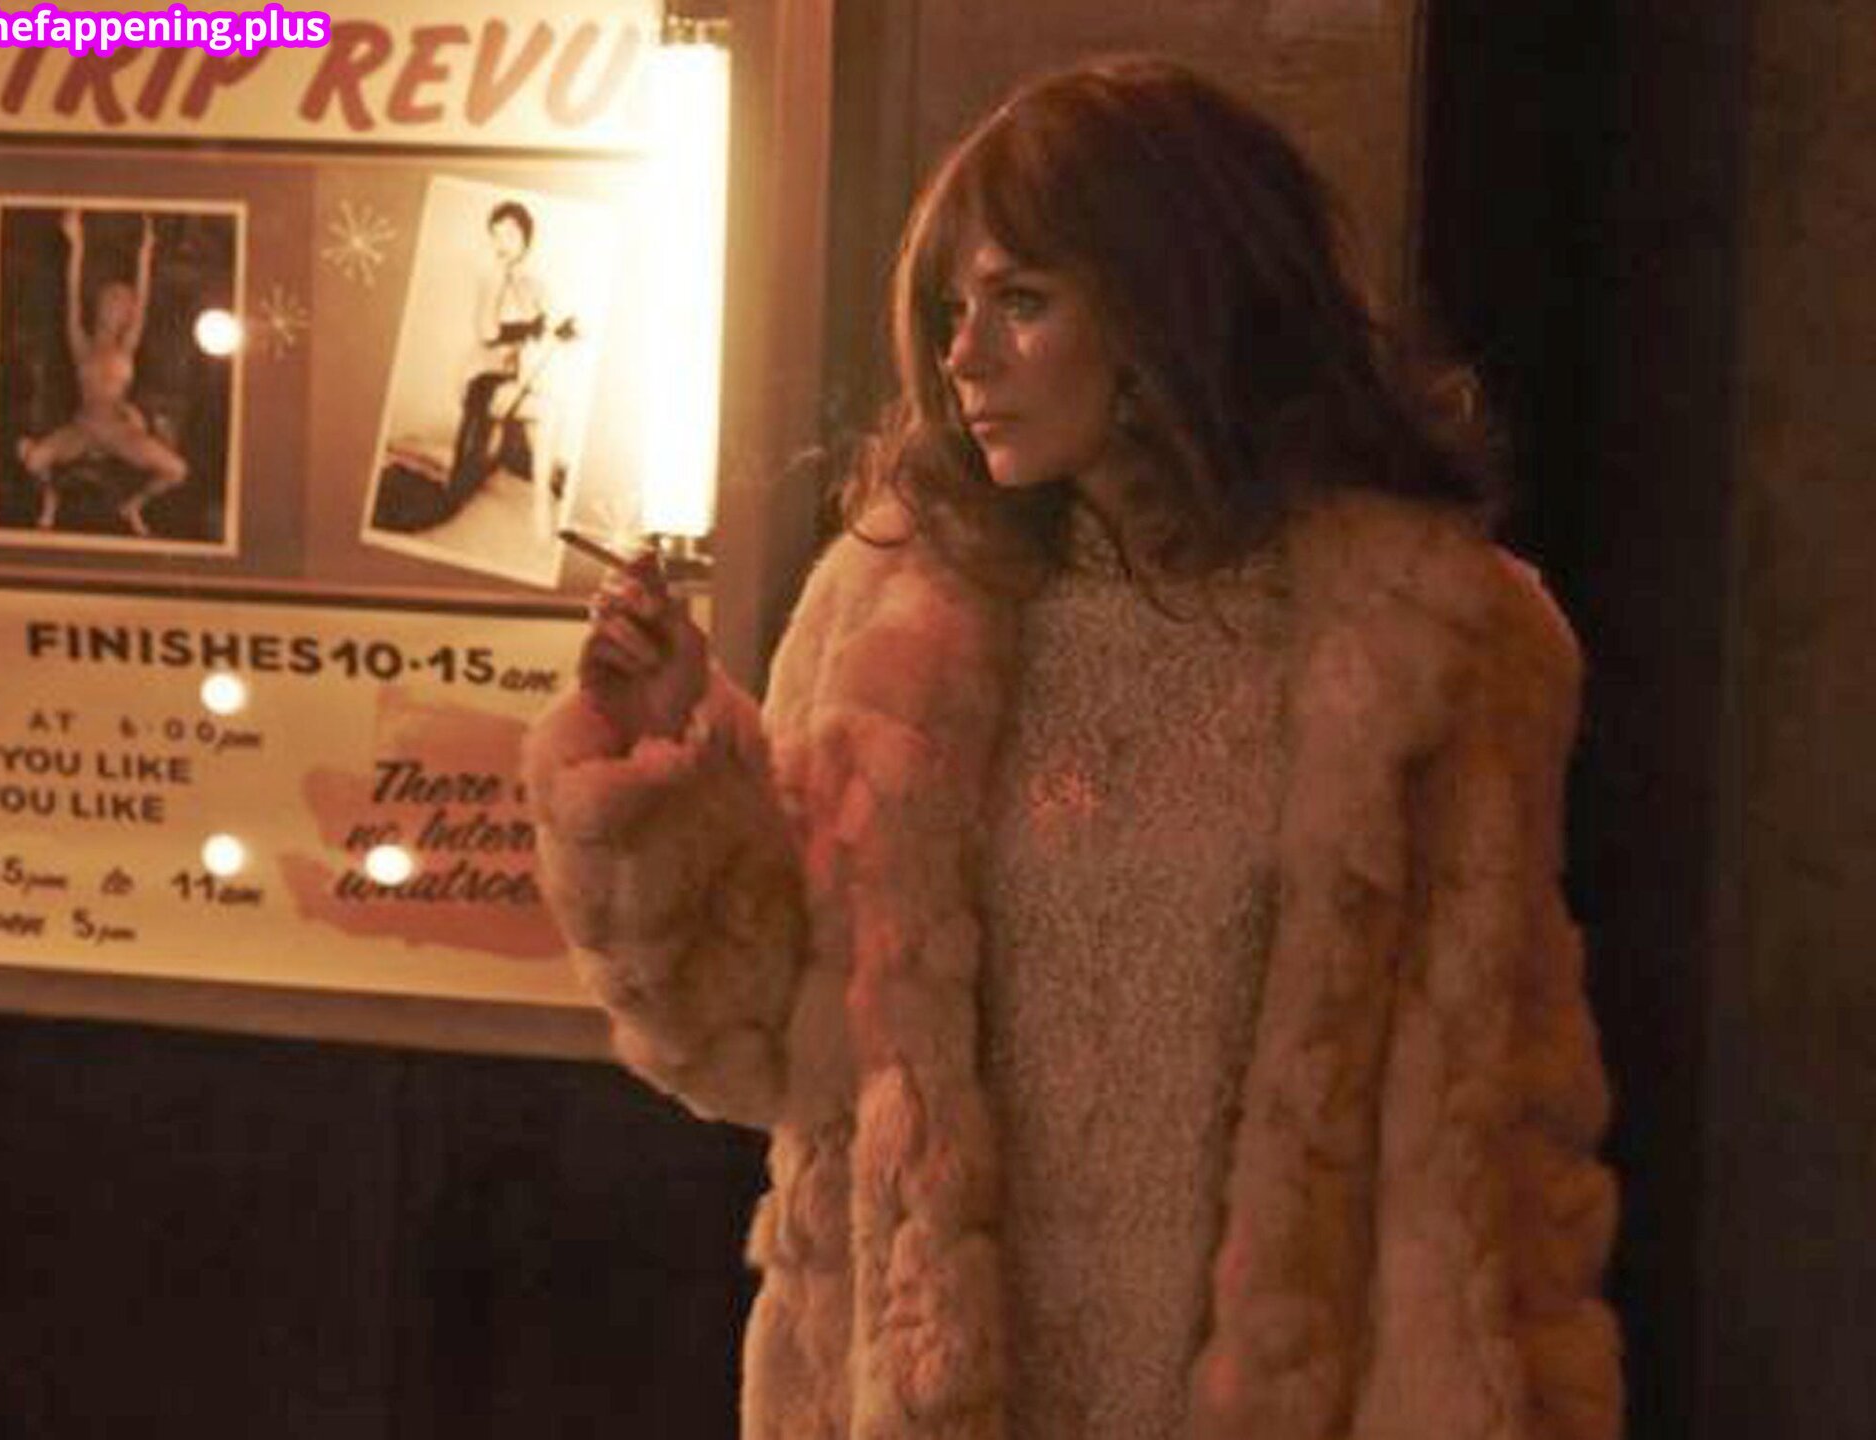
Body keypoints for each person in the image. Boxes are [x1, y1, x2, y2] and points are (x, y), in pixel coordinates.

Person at [525, 56, 1622, 1440]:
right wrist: (677, 767)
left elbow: (1485, 1144)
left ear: (1172, 304)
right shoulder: (889, 619)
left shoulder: (1428, 642)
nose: (963, 357)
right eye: (953, 309)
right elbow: (763, 1055)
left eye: (1022, 302)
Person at [17, 208, 188, 536]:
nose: (113, 309)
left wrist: (145, 252)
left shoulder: (127, 346)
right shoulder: (81, 343)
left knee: (177, 470)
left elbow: (144, 297)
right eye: (109, 302)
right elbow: (71, 291)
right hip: (84, 428)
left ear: (126, 315)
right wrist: (76, 243)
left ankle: (133, 506)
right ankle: (50, 498)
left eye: (120, 306)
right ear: (99, 307)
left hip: (121, 432)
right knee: (33, 459)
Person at [446, 198, 569, 538]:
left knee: (545, 416)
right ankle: (540, 507)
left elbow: (546, 332)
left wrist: (561, 330)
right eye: (496, 235)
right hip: (479, 380)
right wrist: (529, 327)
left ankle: (541, 504)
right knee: (548, 413)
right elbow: (487, 332)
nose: (502, 243)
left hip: (508, 379)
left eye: (510, 235)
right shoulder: (492, 277)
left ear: (526, 239)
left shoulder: (533, 286)